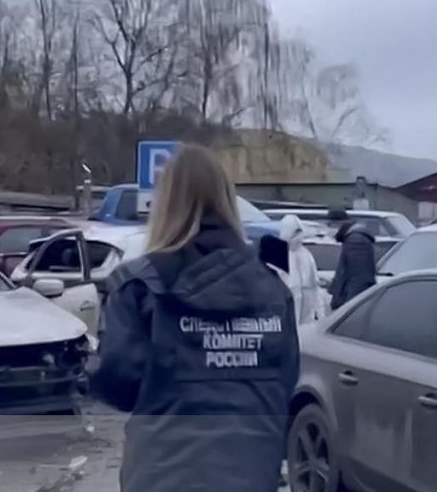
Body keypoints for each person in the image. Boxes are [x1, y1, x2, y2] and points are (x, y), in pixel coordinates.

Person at [91, 145, 299, 492]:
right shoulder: (272, 288)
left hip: (164, 474)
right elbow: (285, 381)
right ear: (227, 200)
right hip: (251, 472)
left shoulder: (139, 286)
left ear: (165, 203)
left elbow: (119, 385)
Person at [278, 214, 325, 324]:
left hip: (306, 306)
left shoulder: (305, 254)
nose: (298, 237)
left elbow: (314, 286)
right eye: (295, 233)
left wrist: (320, 312)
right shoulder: (277, 254)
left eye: (299, 232)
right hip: (287, 304)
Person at [329, 219, 377, 310]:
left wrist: (350, 305)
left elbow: (359, 277)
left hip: (353, 297)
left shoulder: (356, 240)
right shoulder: (356, 238)